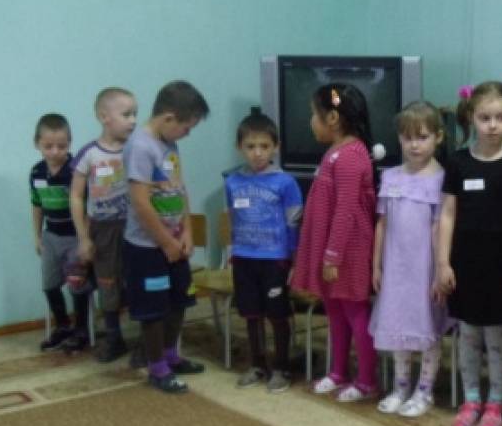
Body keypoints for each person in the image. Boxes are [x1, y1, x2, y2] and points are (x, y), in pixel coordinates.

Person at [436, 80, 502, 426]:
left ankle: (497, 400)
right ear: (471, 118)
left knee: (496, 337)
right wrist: (442, 263)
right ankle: (471, 399)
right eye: (484, 118)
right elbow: (447, 215)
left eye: (500, 117)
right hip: (465, 264)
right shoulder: (458, 162)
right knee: (467, 334)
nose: (492, 125)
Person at [291, 84, 378, 401]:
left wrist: (332, 256)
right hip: (333, 248)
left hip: (346, 251)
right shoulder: (335, 152)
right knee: (335, 311)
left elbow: (345, 211)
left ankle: (366, 380)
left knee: (354, 312)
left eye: (313, 114)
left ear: (332, 117)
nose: (310, 121)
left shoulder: (351, 155)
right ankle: (339, 371)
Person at [123, 81, 210, 393]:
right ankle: (157, 367)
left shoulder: (170, 143)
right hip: (148, 248)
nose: (187, 134)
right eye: (187, 128)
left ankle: (172, 355)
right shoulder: (140, 146)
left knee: (179, 300)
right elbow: (141, 203)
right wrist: (165, 242)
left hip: (174, 243)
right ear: (169, 118)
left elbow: (179, 187)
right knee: (154, 309)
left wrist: (186, 231)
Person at [370, 101, 449, 419]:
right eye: (408, 138)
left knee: (426, 327)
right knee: (397, 325)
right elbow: (382, 223)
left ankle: (424, 391)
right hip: (395, 268)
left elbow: (440, 227)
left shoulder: (442, 180)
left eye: (423, 137)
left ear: (438, 137)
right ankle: (401, 387)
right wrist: (376, 264)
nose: (415, 145)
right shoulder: (390, 177)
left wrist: (439, 271)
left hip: (424, 269)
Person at [226, 112, 304, 393]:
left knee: (277, 314)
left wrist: (294, 258)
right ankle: (257, 364)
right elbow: (233, 218)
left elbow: (294, 222)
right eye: (250, 146)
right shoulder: (232, 182)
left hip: (274, 261)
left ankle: (281, 367)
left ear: (275, 147)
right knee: (251, 313)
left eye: (264, 146)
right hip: (244, 258)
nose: (257, 153)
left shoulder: (286, 183)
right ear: (240, 147)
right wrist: (233, 250)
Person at [70, 87, 139, 363]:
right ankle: (114, 338)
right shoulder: (89, 154)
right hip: (102, 229)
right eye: (126, 114)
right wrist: (83, 237)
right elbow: (76, 196)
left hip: (135, 227)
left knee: (137, 281)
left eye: (135, 114)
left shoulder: (137, 149)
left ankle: (147, 339)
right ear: (104, 117)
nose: (133, 120)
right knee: (108, 282)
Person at [30, 113, 91, 352]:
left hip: (75, 237)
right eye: (48, 146)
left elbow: (88, 207)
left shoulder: (77, 171)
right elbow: (36, 205)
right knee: (49, 284)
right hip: (51, 237)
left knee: (77, 283)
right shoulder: (36, 172)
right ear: (37, 144)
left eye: (62, 146)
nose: (55, 151)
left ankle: (81, 329)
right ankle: (63, 325)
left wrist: (85, 239)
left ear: (69, 143)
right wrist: (37, 235)